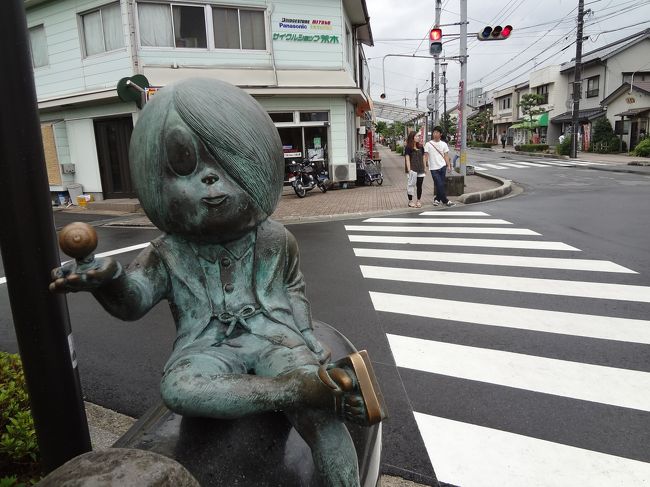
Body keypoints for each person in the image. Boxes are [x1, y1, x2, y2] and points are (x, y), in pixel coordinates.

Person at [49, 78, 385, 487]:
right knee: (180, 387)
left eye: (226, 163)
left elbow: (293, 290)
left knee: (324, 424)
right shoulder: (168, 251)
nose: (211, 180)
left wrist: (306, 337)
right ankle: (294, 391)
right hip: (207, 346)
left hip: (274, 335)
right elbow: (133, 301)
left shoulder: (275, 239)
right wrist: (109, 279)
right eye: (187, 165)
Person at [424, 126, 455, 207]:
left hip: (442, 167)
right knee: (440, 184)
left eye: (437, 132)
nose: (435, 134)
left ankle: (437, 199)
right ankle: (445, 200)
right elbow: (426, 156)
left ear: (440, 134)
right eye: (434, 132)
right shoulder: (428, 144)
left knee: (440, 184)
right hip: (433, 168)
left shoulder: (443, 144)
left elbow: (446, 156)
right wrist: (425, 167)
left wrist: (448, 166)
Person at [404, 131, 426, 208]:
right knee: (411, 185)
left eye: (418, 136)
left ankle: (418, 200)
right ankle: (410, 201)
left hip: (420, 169)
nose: (418, 138)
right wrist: (409, 170)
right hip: (412, 170)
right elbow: (407, 159)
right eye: (416, 136)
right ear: (412, 137)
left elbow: (423, 157)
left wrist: (425, 167)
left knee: (419, 186)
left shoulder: (421, 146)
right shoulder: (408, 148)